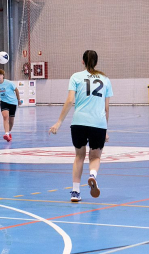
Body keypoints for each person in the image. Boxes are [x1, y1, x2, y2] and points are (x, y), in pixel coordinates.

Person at [48, 50, 113, 202]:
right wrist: (105, 130)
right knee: (95, 156)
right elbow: (106, 108)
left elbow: (70, 100)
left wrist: (59, 122)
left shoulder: (76, 77)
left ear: (82, 61)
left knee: (79, 156)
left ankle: (75, 192)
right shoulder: (105, 79)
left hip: (78, 123)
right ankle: (92, 175)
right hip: (98, 124)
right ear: (96, 62)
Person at [0, 69, 22, 142]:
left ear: (3, 76)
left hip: (12, 102)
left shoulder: (9, 83)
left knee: (11, 121)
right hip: (4, 102)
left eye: (0, 75)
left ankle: (8, 132)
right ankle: (6, 134)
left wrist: (18, 100)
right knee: (5, 117)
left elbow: (16, 90)